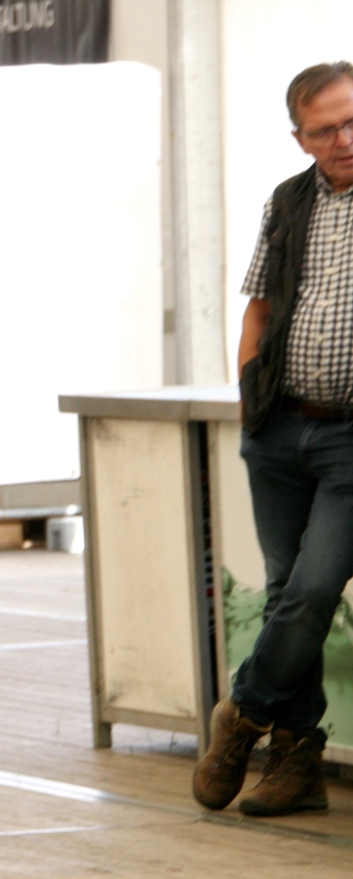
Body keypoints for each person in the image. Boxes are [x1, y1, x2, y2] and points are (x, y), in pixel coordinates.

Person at [195, 60, 353, 817]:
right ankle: (297, 763)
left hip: (350, 436)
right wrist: (250, 398)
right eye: (324, 129)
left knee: (315, 588)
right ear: (300, 139)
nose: (343, 139)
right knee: (288, 590)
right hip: (279, 425)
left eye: (352, 121)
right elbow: (258, 307)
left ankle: (242, 714)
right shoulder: (288, 201)